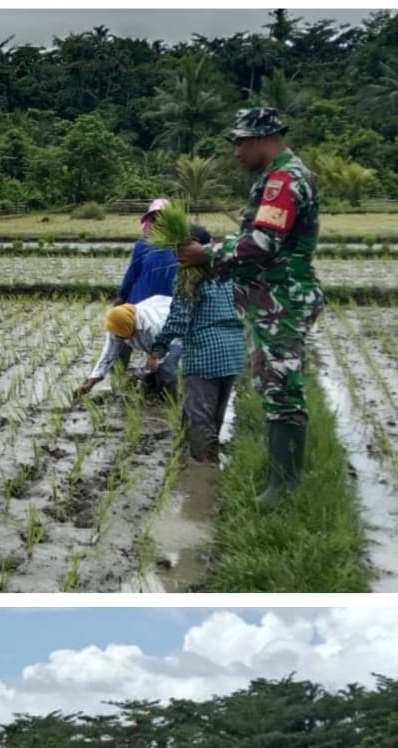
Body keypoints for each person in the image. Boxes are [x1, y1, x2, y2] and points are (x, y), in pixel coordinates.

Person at [175, 107, 323, 506]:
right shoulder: (275, 178)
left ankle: (284, 488)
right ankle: (280, 482)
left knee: (282, 387)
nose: (235, 151)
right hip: (271, 299)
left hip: (280, 301)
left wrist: (207, 254)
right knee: (272, 384)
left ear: (262, 139)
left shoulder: (284, 181)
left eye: (240, 142)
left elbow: (264, 243)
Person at [147, 226, 245, 462]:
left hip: (204, 354)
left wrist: (157, 349)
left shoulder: (189, 278)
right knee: (215, 418)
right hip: (233, 352)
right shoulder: (228, 274)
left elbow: (178, 321)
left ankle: (202, 476)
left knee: (200, 419)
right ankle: (202, 462)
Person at [76, 293, 176, 401]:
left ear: (130, 328)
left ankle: (169, 401)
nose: (119, 339)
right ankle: (151, 398)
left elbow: (162, 354)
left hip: (174, 331)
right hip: (153, 323)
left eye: (122, 336)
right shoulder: (115, 326)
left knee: (166, 371)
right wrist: (90, 383)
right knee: (148, 382)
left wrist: (138, 374)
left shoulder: (153, 327)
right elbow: (108, 356)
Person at [117, 197, 179, 305]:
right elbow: (132, 274)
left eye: (164, 218)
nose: (159, 222)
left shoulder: (180, 244)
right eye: (155, 218)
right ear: (150, 221)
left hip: (170, 304)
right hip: (142, 302)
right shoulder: (143, 244)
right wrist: (122, 296)